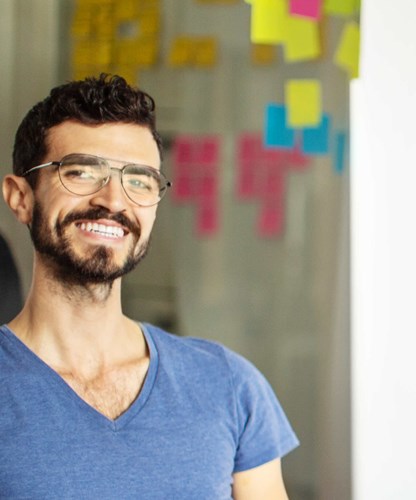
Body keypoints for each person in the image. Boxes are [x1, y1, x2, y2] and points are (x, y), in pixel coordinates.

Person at [0, 75, 298, 498]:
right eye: (82, 172)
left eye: (139, 180)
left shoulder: (228, 385)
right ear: (21, 198)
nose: (115, 201)